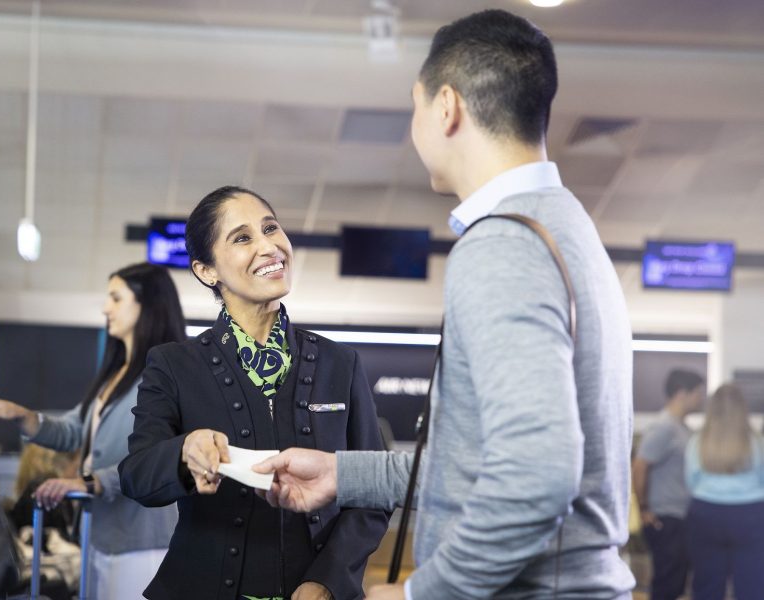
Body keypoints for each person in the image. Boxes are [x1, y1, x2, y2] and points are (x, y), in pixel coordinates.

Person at [253, 9, 636, 599]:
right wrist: (341, 473)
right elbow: (483, 468)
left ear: (447, 107)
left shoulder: (505, 242)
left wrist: (423, 594)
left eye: (415, 105)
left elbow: (537, 474)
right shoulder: (566, 228)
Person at [118, 186, 389, 600]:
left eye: (270, 228)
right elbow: (136, 475)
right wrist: (184, 452)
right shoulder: (174, 363)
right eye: (243, 238)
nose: (269, 246)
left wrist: (328, 581)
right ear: (207, 270)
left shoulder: (341, 363)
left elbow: (372, 493)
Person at [0, 262, 184, 599]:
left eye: (116, 298)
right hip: (97, 533)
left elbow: (157, 459)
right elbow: (74, 429)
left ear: (148, 304)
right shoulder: (116, 373)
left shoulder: (165, 376)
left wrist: (89, 481)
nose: (105, 308)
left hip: (140, 543)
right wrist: (22, 416)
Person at [684, 384, 764, 600]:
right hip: (751, 515)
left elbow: (691, 481)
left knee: (706, 583)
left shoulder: (697, 442)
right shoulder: (756, 442)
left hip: (705, 513)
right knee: (752, 584)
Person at [633, 368, 705, 600]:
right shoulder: (664, 427)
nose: (700, 399)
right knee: (666, 584)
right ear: (682, 393)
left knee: (676, 584)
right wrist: (644, 509)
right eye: (698, 393)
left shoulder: (682, 429)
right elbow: (640, 466)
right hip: (665, 518)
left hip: (681, 517)